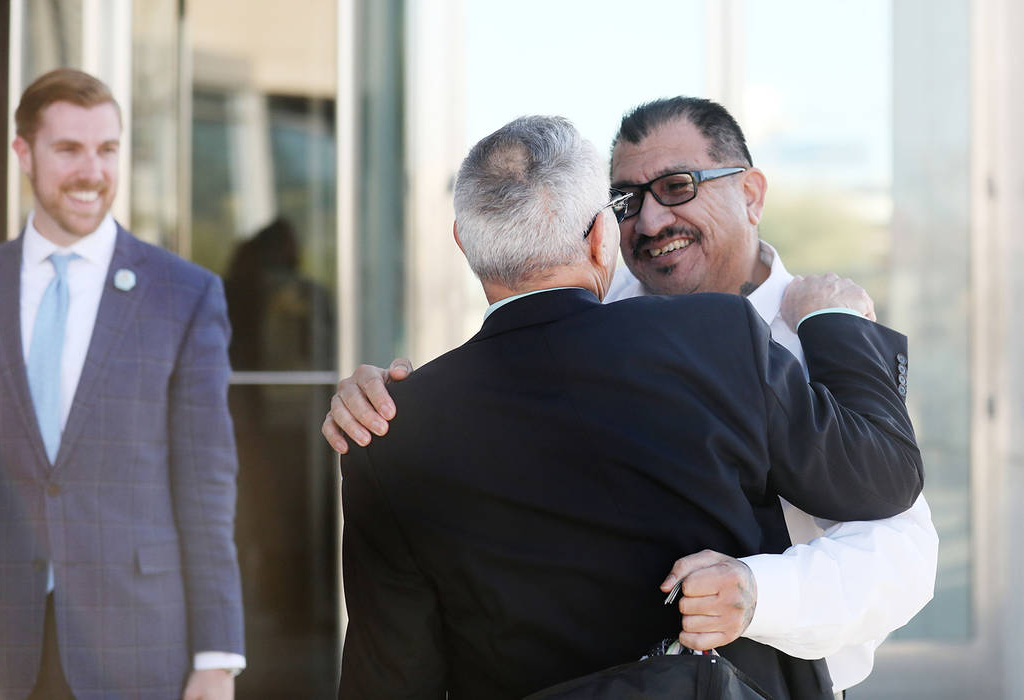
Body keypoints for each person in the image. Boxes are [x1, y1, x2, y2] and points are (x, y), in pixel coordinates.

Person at [322, 97, 939, 697]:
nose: (648, 221)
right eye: (625, 199)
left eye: (677, 185)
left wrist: (758, 592)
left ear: (750, 194)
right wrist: (380, 405)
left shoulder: (817, 334)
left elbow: (902, 548)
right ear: (600, 233)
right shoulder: (579, 317)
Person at [0, 68, 244, 700]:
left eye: (107, 149)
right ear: (24, 153)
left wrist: (217, 655)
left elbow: (207, 484)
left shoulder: (185, 294)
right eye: (68, 149)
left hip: (139, 644)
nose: (92, 172)